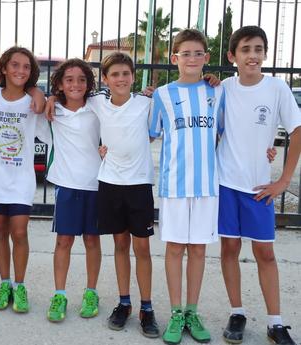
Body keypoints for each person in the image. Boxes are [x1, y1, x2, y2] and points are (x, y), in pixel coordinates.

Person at [218, 26, 301, 345]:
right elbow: (213, 125)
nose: (252, 55)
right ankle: (237, 312)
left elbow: (296, 132)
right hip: (226, 182)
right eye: (246, 49)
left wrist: (282, 180)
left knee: (265, 252)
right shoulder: (225, 87)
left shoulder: (277, 88)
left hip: (259, 188)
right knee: (229, 248)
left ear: (265, 53)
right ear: (233, 56)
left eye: (258, 49)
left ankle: (276, 322)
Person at [149, 29, 225, 344]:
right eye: (185, 53)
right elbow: (150, 133)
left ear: (206, 58)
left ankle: (193, 310)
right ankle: (176, 312)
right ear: (174, 57)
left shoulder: (217, 92)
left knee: (197, 249)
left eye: (198, 53)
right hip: (175, 185)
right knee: (175, 247)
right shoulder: (161, 95)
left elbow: (224, 132)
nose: (191, 59)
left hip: (207, 185)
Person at [89, 52, 159, 338]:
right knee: (120, 245)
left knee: (142, 248)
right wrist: (54, 98)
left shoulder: (146, 103)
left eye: (125, 74)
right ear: (105, 79)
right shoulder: (97, 103)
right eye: (114, 74)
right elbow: (65, 93)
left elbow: (161, 126)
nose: (120, 79)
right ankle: (124, 302)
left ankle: (147, 307)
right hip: (110, 183)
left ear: (133, 76)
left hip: (139, 184)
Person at [0, 47, 45, 314]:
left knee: (19, 231)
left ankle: (20, 286)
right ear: (4, 68)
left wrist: (37, 91)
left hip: (21, 178)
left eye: (26, 67)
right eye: (15, 65)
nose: (20, 71)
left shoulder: (34, 103)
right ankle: (4, 283)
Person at [44, 58, 102, 322]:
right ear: (60, 84)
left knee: (92, 240)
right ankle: (59, 294)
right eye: (69, 79)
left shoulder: (98, 107)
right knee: (63, 241)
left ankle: (91, 292)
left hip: (95, 184)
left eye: (81, 79)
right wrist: (47, 97)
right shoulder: (53, 110)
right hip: (67, 185)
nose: (75, 84)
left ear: (89, 83)